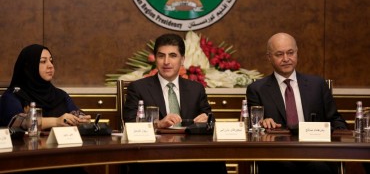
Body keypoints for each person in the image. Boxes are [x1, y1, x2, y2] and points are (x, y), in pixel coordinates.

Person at [122, 33, 227, 174]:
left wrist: (206, 119)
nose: (166, 62)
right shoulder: (139, 88)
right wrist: (157, 124)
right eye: (161, 56)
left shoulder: (196, 88)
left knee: (216, 161)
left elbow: (209, 118)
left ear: (182, 59)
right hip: (154, 154)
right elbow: (129, 123)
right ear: (155, 59)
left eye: (173, 55)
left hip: (190, 154)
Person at [246, 32, 348, 174]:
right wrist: (261, 123)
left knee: (318, 168)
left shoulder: (317, 85)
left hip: (315, 152)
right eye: (279, 54)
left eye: (290, 52)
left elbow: (337, 122)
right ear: (269, 57)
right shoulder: (257, 89)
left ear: (297, 53)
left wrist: (325, 133)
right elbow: (251, 128)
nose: (286, 59)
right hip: (276, 155)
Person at [0, 44, 91, 130]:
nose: (50, 66)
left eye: (51, 61)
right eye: (43, 61)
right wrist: (56, 121)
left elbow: (74, 112)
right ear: (29, 67)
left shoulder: (60, 95)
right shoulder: (13, 95)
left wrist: (81, 119)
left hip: (62, 146)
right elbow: (18, 122)